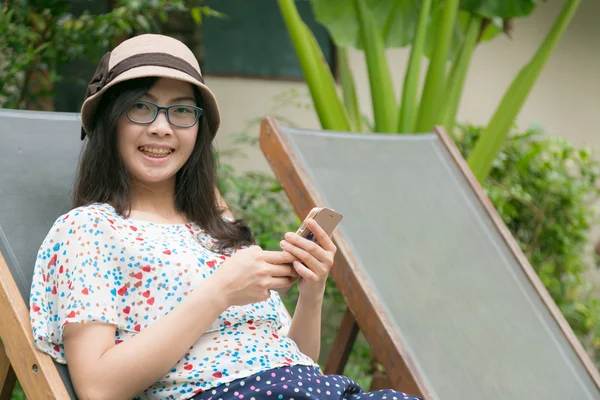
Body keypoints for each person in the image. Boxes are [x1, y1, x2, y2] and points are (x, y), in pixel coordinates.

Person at [29, 33, 423, 400]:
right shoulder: (89, 230)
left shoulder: (219, 230)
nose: (162, 127)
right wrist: (218, 292)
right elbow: (98, 387)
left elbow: (292, 358)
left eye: (181, 111)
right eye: (141, 108)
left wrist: (311, 293)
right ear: (110, 121)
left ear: (199, 130)